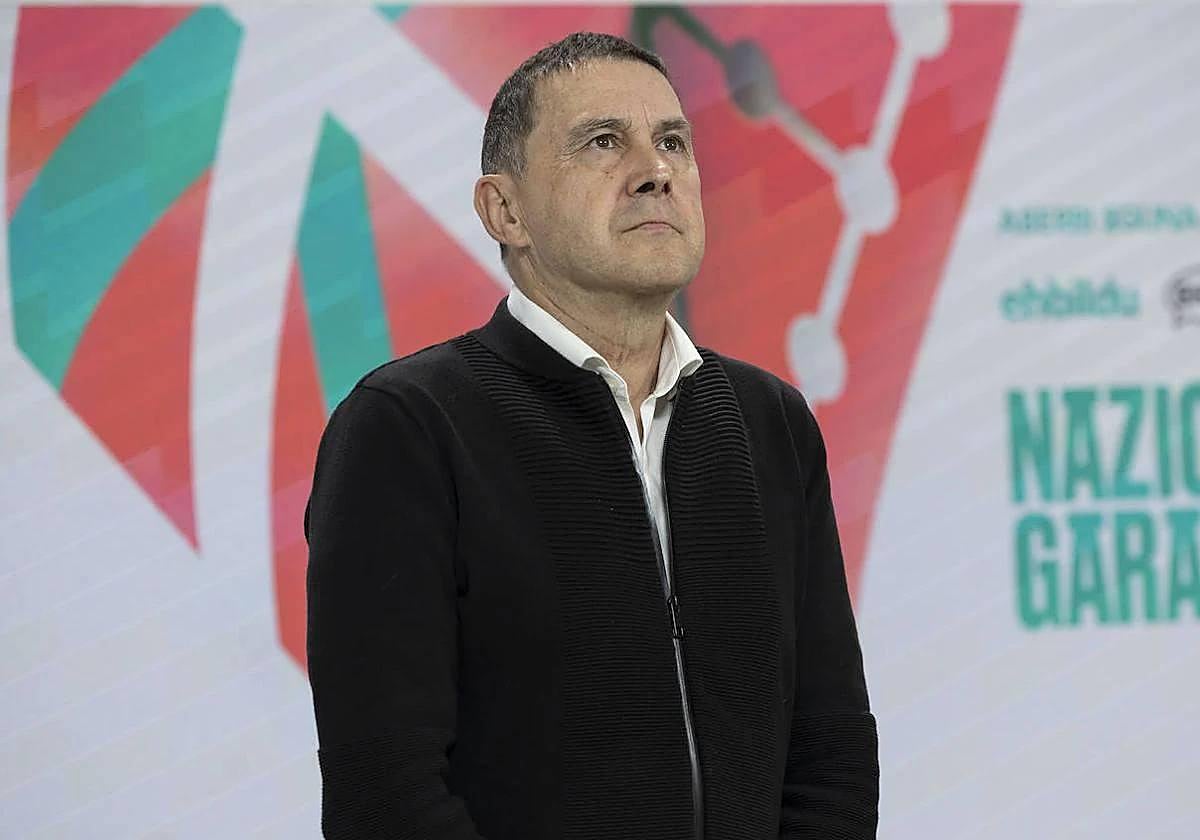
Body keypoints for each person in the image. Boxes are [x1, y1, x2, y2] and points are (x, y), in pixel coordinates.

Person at [304, 31, 878, 840]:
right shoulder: (407, 427)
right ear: (505, 211)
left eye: (672, 142)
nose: (655, 171)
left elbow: (831, 754)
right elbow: (385, 796)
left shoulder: (771, 423)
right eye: (604, 142)